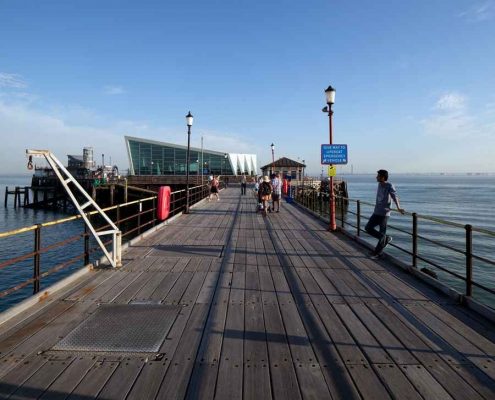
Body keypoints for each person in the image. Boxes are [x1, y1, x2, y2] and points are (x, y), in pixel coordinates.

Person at [365, 169, 405, 258]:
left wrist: (398, 208)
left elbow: (395, 197)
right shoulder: (379, 184)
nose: (376, 177)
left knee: (382, 233)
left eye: (378, 176)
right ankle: (386, 239)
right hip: (376, 211)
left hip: (384, 213)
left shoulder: (389, 185)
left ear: (383, 177)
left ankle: (377, 253)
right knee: (368, 228)